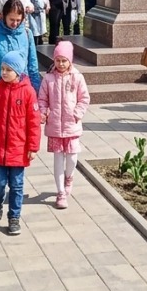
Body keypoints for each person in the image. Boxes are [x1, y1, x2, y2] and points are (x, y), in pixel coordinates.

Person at [0, 50, 42, 236]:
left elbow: (34, 122)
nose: (4, 72)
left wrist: (33, 147)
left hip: (18, 149)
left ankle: (14, 218)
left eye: (8, 69)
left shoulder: (28, 92)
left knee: (17, 185)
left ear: (18, 71)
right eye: (2, 68)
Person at [38, 41, 90, 209]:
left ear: (70, 60)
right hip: (54, 127)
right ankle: (60, 192)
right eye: (58, 60)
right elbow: (42, 99)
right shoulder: (48, 78)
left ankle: (70, 176)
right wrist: (44, 112)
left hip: (71, 126)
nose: (60, 64)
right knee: (58, 159)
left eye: (64, 60)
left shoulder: (77, 77)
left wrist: (77, 113)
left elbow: (84, 98)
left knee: (72, 158)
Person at [0, 0, 41, 105]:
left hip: (22, 94)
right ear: (3, 16)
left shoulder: (27, 34)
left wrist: (36, 93)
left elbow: (33, 67)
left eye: (18, 20)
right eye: (12, 19)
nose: (15, 23)